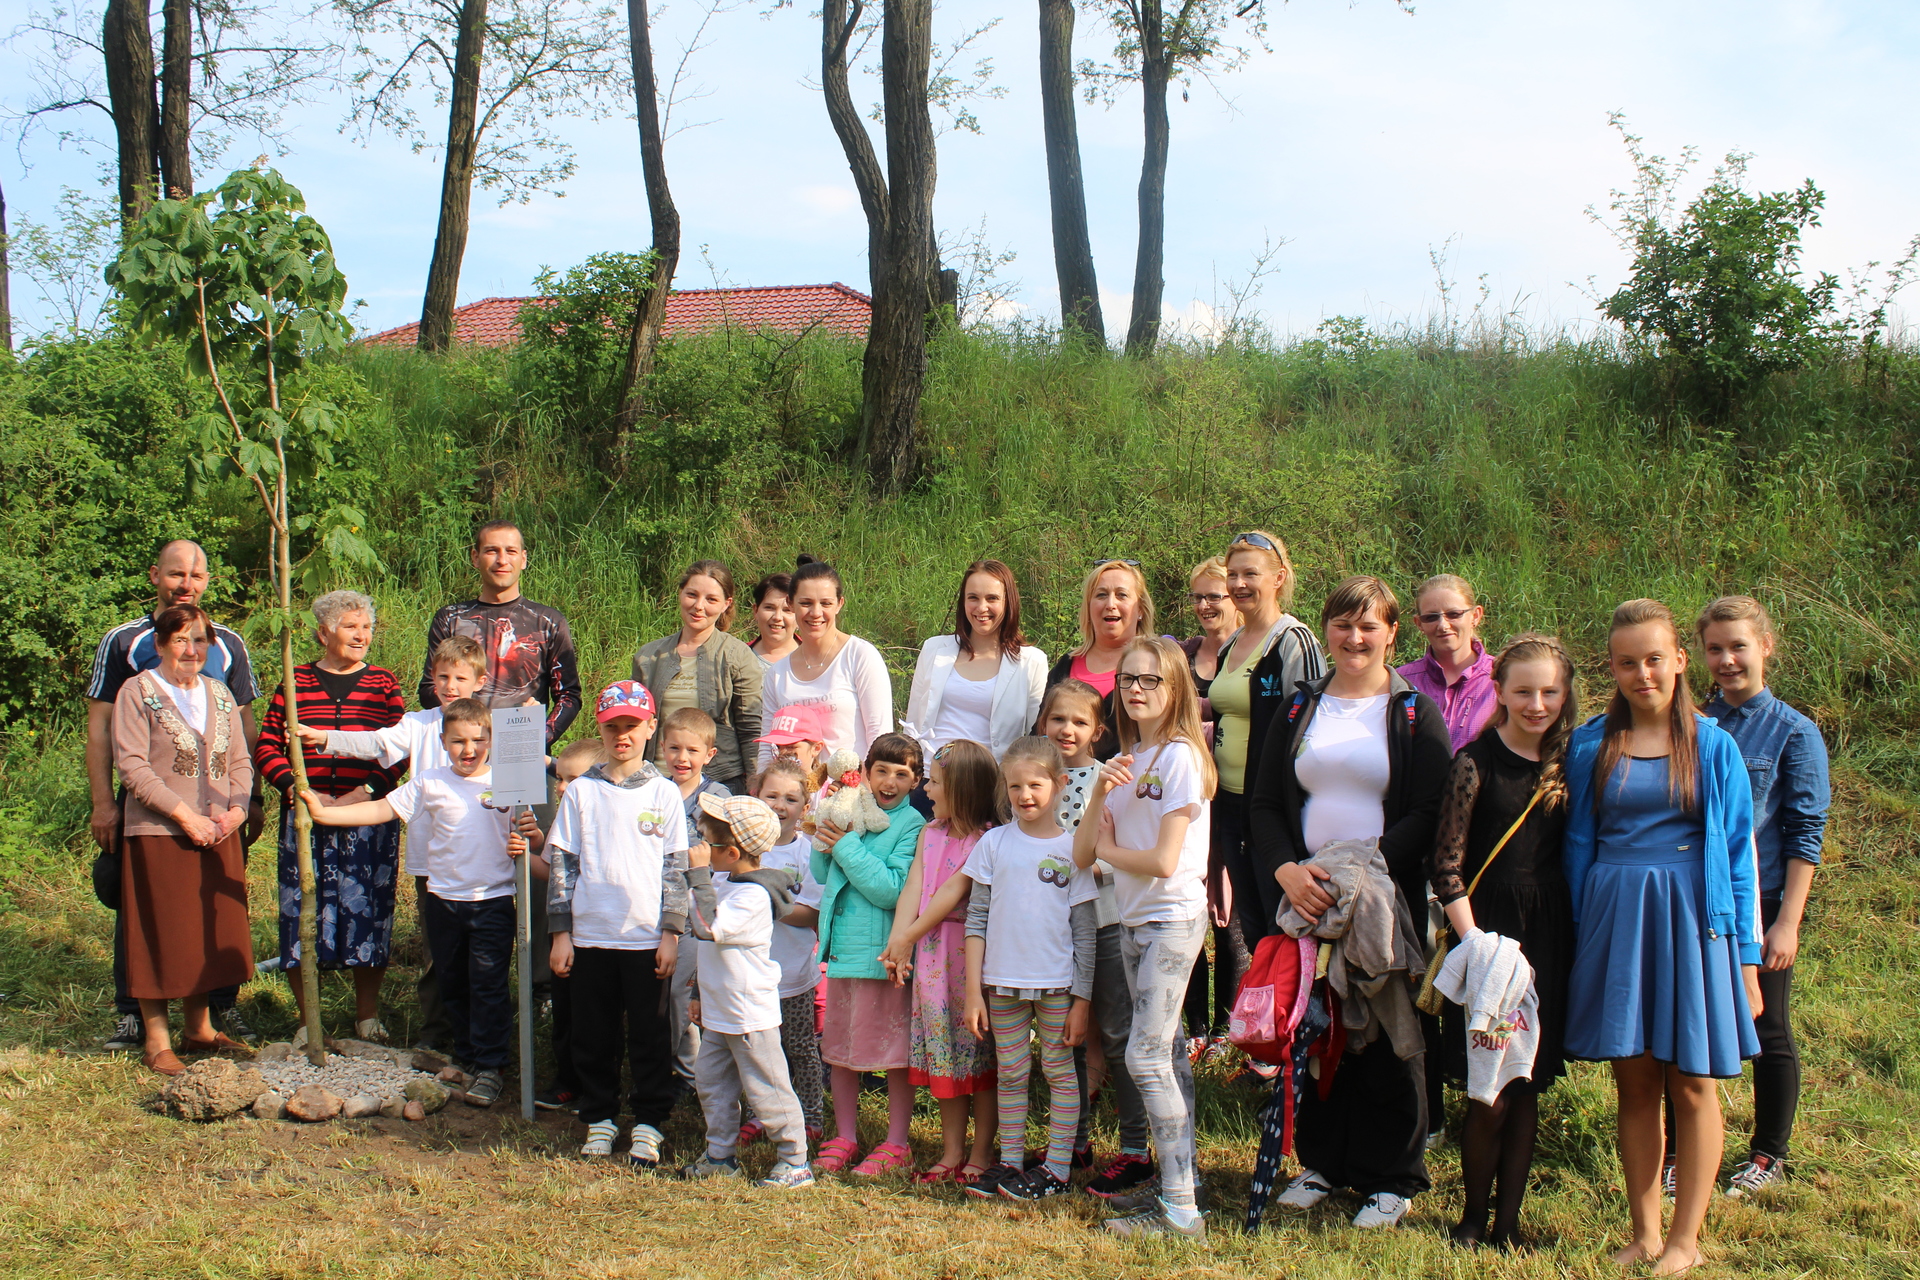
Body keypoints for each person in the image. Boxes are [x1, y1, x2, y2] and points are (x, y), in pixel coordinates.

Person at [1562, 599, 1761, 1276]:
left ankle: (1685, 1240)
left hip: (1695, 923)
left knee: (1695, 1082)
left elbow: (1738, 856)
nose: (1642, 673)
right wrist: (1580, 936)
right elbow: (1576, 848)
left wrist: (1746, 961)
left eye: (1654, 658)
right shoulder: (1590, 744)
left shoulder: (1714, 745)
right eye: (1627, 662)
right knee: (1634, 1081)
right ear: (1612, 669)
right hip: (1616, 919)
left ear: (1679, 660)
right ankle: (1645, 1232)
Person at [1250, 575, 1452, 1231]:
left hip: (1382, 893)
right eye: (1342, 624)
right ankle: (1326, 1162)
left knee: (1388, 1027)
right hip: (1306, 891)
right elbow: (1266, 802)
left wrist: (1365, 872)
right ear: (1328, 631)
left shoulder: (1414, 713)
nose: (1354, 637)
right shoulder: (1299, 708)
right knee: (1321, 1029)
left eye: (1369, 626)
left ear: (1393, 632)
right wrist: (1287, 870)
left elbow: (1430, 807)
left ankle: (1393, 1175)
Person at [301, 697, 539, 1108]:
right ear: (443, 741)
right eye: (459, 741)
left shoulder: (509, 784)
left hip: (493, 901)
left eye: (479, 740)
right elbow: (381, 808)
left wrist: (530, 835)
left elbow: (530, 836)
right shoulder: (430, 782)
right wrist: (325, 815)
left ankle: (491, 1065)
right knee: (452, 981)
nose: (470, 749)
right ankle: (466, 1056)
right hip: (443, 901)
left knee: (487, 985)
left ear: (492, 740)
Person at [1430, 634, 1578, 1248]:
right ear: (1500, 691)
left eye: (1549, 691)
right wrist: (1478, 946)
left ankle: (1509, 1223)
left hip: (1550, 937)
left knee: (1527, 1083)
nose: (1537, 703)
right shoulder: (1474, 762)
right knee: (1487, 1086)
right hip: (1489, 940)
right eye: (1523, 691)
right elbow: (1446, 865)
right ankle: (1471, 1218)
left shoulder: (1571, 762)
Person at [87, 539, 263, 1050]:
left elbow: (243, 735)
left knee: (208, 912)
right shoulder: (125, 644)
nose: (186, 583)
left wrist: (244, 803)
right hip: (153, 811)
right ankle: (137, 1019)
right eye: (175, 573)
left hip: (219, 812)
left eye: (196, 575)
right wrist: (104, 802)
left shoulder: (228, 646)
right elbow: (104, 732)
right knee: (146, 909)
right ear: (154, 575)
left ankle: (212, 1018)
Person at [1072, 636, 1216, 1239]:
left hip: (1172, 918)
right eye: (1127, 679)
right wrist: (1101, 791)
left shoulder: (1181, 755)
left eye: (1149, 680)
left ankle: (1182, 1213)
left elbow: (1162, 861)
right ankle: (1179, 1182)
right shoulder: (1129, 760)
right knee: (1168, 1053)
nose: (1134, 689)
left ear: (1175, 686)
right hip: (1133, 921)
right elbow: (1081, 856)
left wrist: (1106, 848)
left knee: (1146, 1055)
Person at [1695, 595, 1829, 1198]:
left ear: (1765, 647)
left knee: (1768, 1026)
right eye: (1715, 649)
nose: (1726, 660)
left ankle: (1768, 1154)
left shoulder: (1794, 733)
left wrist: (1787, 923)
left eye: (1738, 646)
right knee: (1692, 1023)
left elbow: (1805, 833)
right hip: (1697, 897)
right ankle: (1682, 1151)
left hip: (1763, 901)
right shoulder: (1692, 721)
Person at [306, 633, 489, 1053]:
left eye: (460, 677)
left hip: (487, 868)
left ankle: (483, 1039)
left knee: (484, 956)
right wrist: (324, 737)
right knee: (435, 951)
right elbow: (375, 743)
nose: (450, 686)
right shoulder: (418, 724)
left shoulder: (492, 728)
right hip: (433, 864)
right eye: (442, 677)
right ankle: (435, 1034)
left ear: (478, 681)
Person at [546, 681, 690, 1168]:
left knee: (651, 1034)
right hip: (589, 936)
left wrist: (671, 932)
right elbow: (563, 865)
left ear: (650, 727)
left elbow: (676, 867)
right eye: (613, 728)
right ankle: (600, 1117)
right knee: (594, 1033)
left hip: (646, 938)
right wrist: (561, 933)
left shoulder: (665, 793)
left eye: (631, 726)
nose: (622, 736)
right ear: (601, 731)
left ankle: (649, 1121)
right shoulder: (582, 791)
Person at [254, 589, 406, 1045]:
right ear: (323, 633)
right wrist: (299, 792)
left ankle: (366, 1017)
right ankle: (307, 1022)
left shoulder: (383, 683)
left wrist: (365, 791)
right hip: (305, 817)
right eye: (350, 626)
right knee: (302, 909)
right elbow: (266, 746)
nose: (362, 635)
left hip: (369, 816)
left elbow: (399, 748)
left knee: (370, 912)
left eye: (366, 627)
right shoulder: (294, 680)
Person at [111, 603, 257, 1075]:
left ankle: (200, 1028)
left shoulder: (218, 693)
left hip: (217, 830)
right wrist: (183, 817)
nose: (191, 650)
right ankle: (156, 1039)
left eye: (199, 640)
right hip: (159, 830)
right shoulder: (137, 692)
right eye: (180, 640)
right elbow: (132, 766)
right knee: (159, 929)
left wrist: (236, 809)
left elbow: (239, 759)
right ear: (159, 644)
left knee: (204, 932)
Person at [962, 735, 1099, 1202]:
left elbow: (1085, 935)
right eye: (1015, 786)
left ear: (1060, 784)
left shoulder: (1073, 850)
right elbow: (976, 920)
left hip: (1058, 987)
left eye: (1035, 785)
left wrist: (1082, 1001)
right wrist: (973, 992)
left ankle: (1057, 1169)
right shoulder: (993, 843)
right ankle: (1010, 1164)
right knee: (1012, 1073)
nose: (1025, 796)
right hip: (1001, 986)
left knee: (1060, 1073)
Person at [1043, 679, 1153, 1199]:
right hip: (1049, 926)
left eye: (1080, 722)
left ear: (1099, 730)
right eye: (1057, 719)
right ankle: (1075, 1139)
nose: (1067, 730)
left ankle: (1135, 1148)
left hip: (1105, 919)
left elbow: (1114, 850)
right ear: (1043, 723)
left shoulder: (1110, 780)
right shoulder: (1030, 779)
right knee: (1064, 1035)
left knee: (1114, 1032)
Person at [878, 739, 1004, 1185]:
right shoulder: (930, 833)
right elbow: (915, 885)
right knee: (945, 1057)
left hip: (964, 954)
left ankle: (983, 1151)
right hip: (930, 955)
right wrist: (898, 942)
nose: (926, 789)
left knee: (977, 1059)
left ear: (964, 790)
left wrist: (910, 936)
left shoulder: (986, 839)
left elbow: (954, 891)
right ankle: (952, 1151)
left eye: (934, 782)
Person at [681, 793, 816, 1190]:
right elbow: (713, 954)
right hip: (722, 1014)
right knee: (712, 1084)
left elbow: (708, 928)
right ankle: (720, 1156)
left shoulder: (752, 896)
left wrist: (699, 875)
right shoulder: (729, 884)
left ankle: (795, 1162)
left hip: (748, 1017)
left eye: (710, 842)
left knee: (767, 1089)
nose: (701, 846)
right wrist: (700, 996)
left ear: (732, 852)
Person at [809, 732, 928, 1177]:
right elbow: (821, 872)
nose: (890, 781)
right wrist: (828, 825)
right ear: (866, 770)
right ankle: (845, 1136)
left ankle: (897, 1142)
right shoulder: (853, 809)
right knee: (839, 1049)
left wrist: (843, 844)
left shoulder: (911, 825)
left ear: (916, 781)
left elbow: (890, 890)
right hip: (842, 951)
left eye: (903, 773)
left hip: (883, 956)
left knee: (892, 1052)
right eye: (882, 770)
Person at [419, 519, 583, 745]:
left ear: (523, 559)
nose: (502, 560)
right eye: (491, 551)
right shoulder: (451, 619)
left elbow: (568, 695)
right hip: (462, 752)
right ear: (475, 557)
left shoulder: (548, 622)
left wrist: (540, 737)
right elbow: (429, 688)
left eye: (511, 551)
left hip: (522, 751)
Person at [737, 757, 826, 1142]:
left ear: (805, 808)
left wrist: (769, 902)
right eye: (771, 795)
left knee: (800, 1047)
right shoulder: (741, 850)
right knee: (757, 1049)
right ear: (755, 795)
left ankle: (811, 1115)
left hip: (794, 973)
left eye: (790, 798)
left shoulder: (808, 854)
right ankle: (759, 1113)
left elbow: (812, 914)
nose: (779, 805)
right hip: (750, 974)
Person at [633, 560, 764, 793]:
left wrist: (754, 781)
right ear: (680, 594)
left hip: (720, 781)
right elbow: (636, 724)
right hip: (656, 781)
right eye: (691, 595)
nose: (698, 606)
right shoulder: (649, 656)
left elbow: (751, 727)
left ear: (726, 604)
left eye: (711, 599)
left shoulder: (737, 655)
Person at [905, 560, 1049, 759]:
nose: (982, 608)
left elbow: (1036, 736)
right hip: (931, 779)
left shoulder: (1032, 662)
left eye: (992, 598)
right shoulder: (934, 649)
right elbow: (913, 724)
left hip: (992, 781)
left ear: (1008, 602)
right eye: (973, 597)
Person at [759, 556, 893, 767]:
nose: (816, 613)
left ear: (839, 604)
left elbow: (881, 737)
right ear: (790, 604)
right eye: (805, 603)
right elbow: (767, 749)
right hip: (794, 796)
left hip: (852, 792)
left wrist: (862, 790)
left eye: (825, 603)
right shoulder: (777, 674)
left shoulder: (860, 656)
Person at [530, 738, 605, 1111]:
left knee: (596, 1014)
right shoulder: (561, 817)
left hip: (601, 933)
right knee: (566, 1010)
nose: (559, 788)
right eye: (559, 778)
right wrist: (523, 851)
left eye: (569, 779)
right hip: (565, 931)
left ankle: (596, 1086)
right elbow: (548, 871)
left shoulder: (609, 817)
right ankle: (566, 1080)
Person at [660, 706, 731, 1088]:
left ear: (710, 754)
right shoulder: (655, 788)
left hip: (695, 912)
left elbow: (718, 851)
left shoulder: (716, 797)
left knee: (679, 994)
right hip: (654, 906)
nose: (681, 758)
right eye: (673, 749)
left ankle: (690, 1075)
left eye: (691, 751)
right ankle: (674, 1065)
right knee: (659, 995)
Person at [1045, 560, 1158, 761]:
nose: (1110, 604)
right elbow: (1040, 732)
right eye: (1101, 595)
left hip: (1132, 785)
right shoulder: (1066, 665)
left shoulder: (1156, 666)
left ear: (1140, 609)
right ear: (1088, 606)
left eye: (1122, 595)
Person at [1397, 574, 1496, 753]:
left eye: (1454, 614)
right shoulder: (1401, 684)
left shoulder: (1502, 679)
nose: (1443, 625)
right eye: (1431, 617)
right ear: (1419, 623)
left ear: (1475, 615)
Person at [1179, 556, 1236, 699]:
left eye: (1214, 597)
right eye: (1198, 598)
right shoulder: (1183, 655)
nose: (1203, 606)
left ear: (1237, 598)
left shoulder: (1256, 653)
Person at [756, 703, 831, 797]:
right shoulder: (767, 786)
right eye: (777, 747)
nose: (782, 752)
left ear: (816, 748)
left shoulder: (825, 793)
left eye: (791, 747)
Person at [748, 572, 799, 667]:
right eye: (769, 608)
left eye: (787, 610)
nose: (777, 617)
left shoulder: (818, 658)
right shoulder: (737, 657)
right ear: (756, 611)